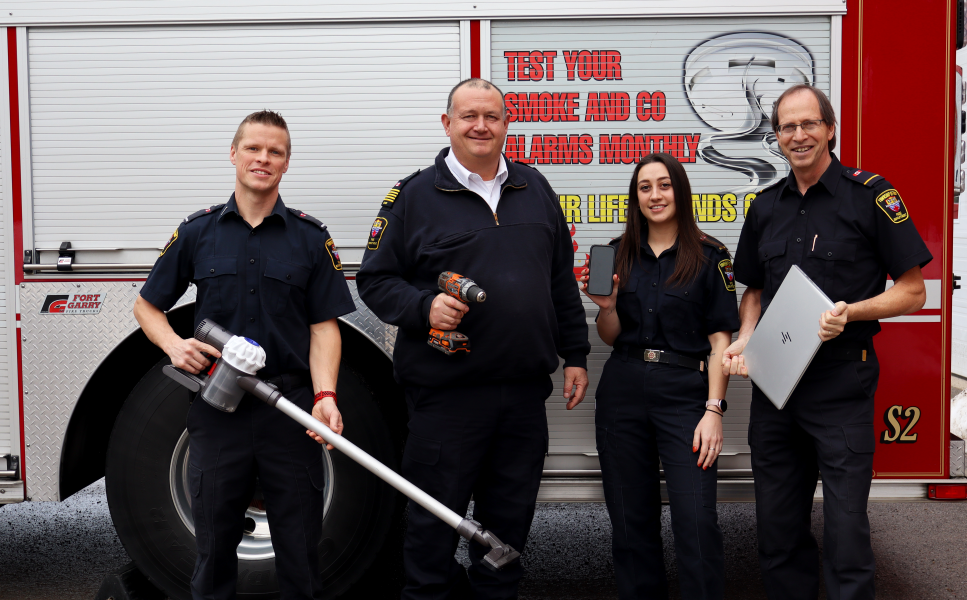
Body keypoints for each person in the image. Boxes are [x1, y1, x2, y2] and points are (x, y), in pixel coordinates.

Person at [354, 78, 590, 600]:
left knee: (506, 538)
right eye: (468, 116)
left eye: (492, 116)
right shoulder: (413, 196)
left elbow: (559, 281)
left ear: (507, 124)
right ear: (447, 124)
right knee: (432, 534)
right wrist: (424, 307)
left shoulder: (535, 188)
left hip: (524, 397)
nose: (480, 126)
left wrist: (575, 353)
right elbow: (373, 279)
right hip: (447, 400)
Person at [133, 110, 356, 600]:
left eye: (275, 151)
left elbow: (324, 329)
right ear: (233, 154)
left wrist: (325, 396)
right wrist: (174, 345)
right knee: (213, 550)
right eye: (254, 148)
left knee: (300, 551)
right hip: (218, 414)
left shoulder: (310, 238)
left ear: (287, 163)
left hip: (290, 410)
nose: (263, 158)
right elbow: (147, 307)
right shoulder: (197, 232)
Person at [723, 85, 931, 600]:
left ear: (830, 129)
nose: (799, 136)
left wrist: (851, 313)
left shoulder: (871, 197)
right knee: (777, 529)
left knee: (845, 534)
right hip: (776, 387)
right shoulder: (766, 206)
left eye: (809, 124)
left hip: (842, 382)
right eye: (788, 127)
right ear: (776, 138)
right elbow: (753, 287)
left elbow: (912, 292)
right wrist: (747, 334)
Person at [580, 152, 739, 600]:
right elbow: (611, 337)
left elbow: (720, 341)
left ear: (680, 191)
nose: (655, 195)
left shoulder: (710, 256)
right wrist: (607, 309)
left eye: (664, 185)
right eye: (645, 187)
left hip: (686, 397)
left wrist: (714, 410)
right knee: (631, 526)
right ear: (636, 196)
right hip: (623, 392)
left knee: (697, 523)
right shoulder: (617, 253)